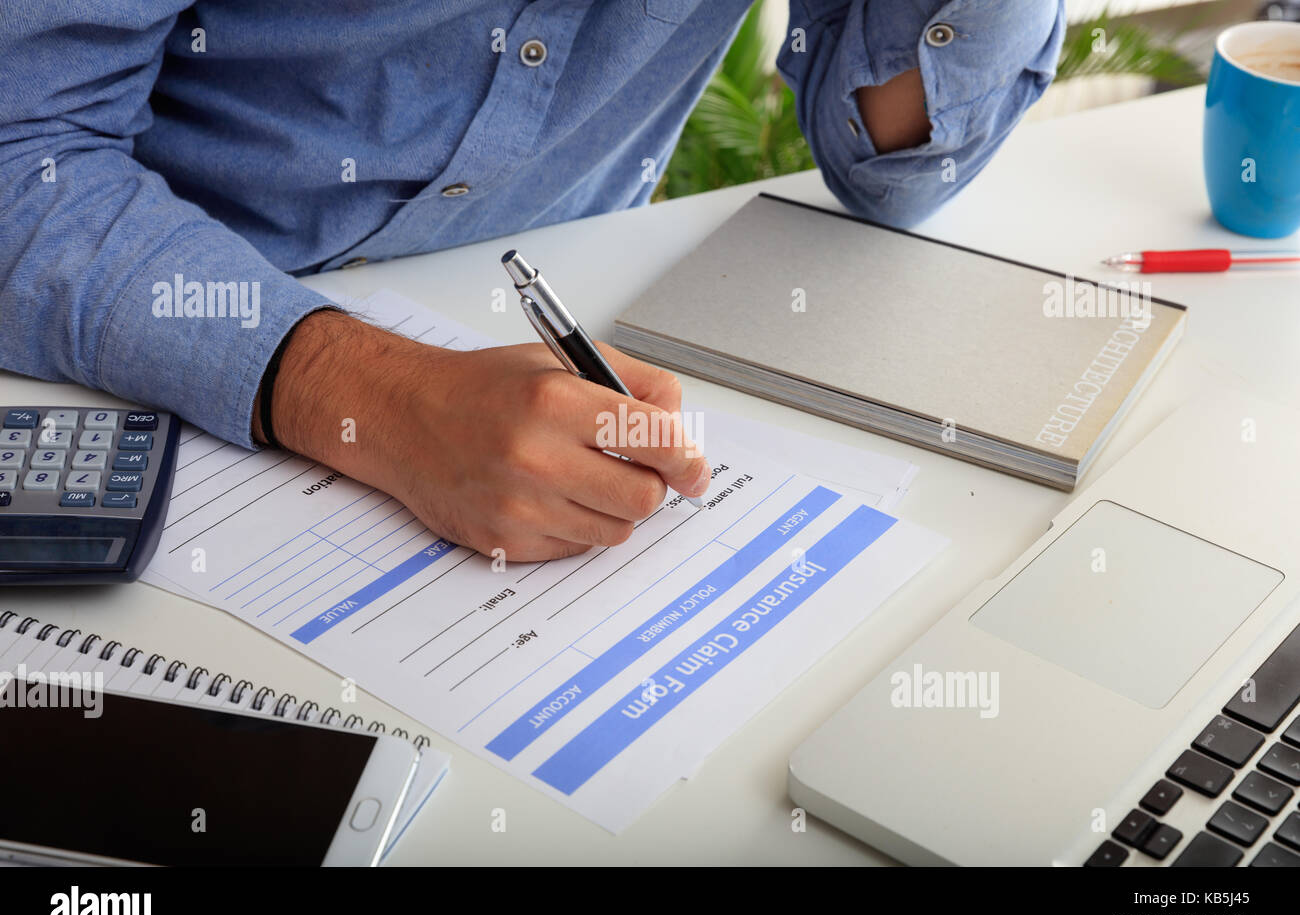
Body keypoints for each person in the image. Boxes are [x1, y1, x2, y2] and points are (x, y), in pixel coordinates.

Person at [0, 2, 1065, 560]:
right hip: (123, 366)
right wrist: (370, 392)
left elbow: (894, 162)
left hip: (551, 354)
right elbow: (19, 145)